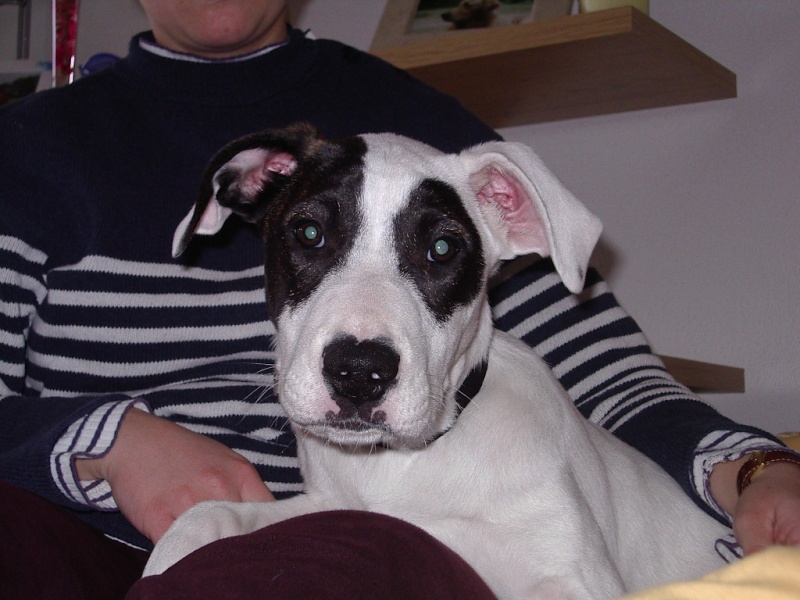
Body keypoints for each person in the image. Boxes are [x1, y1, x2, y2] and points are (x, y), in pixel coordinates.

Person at [0, 1, 798, 598]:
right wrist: (102, 440)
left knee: (341, 562)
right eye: (312, 238)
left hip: (332, 557)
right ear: (236, 195)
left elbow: (612, 375)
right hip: (85, 534)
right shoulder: (28, 149)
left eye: (439, 251)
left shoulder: (438, 142)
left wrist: (756, 465)